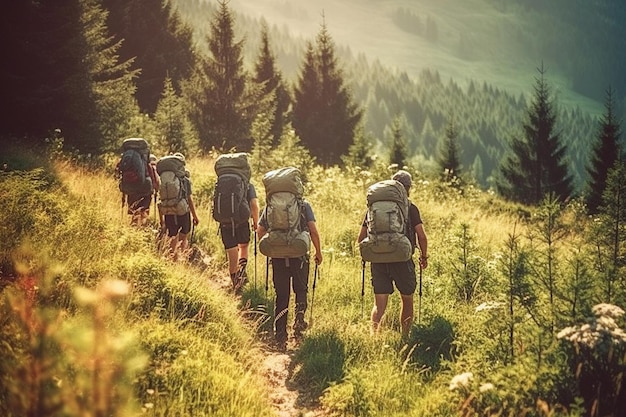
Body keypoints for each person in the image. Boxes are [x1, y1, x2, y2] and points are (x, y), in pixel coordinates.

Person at [357, 170, 428, 338]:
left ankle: (373, 337)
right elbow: (422, 236)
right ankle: (405, 337)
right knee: (407, 299)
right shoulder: (410, 207)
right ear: (408, 188)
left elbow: (360, 238)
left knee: (379, 304)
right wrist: (424, 256)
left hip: (378, 259)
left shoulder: (373, 208)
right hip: (402, 259)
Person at [257, 190, 323, 351]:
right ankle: (299, 323)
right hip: (299, 255)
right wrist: (318, 251)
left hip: (278, 257)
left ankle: (280, 336)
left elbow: (260, 230)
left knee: (282, 295)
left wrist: (272, 247)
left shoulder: (270, 206)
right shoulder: (303, 205)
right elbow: (313, 230)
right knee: (301, 290)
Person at [219, 182, 259, 291]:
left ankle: (235, 282)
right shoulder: (248, 185)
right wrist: (256, 222)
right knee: (244, 246)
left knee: (232, 251)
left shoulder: (221, 183)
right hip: (242, 222)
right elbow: (254, 204)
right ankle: (241, 273)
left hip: (225, 223)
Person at [160, 153, 199, 261]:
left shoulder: (164, 179)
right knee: (183, 235)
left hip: (168, 210)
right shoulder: (185, 180)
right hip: (183, 211)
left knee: (172, 235)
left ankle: (173, 259)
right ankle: (183, 258)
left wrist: (161, 219)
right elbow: (189, 199)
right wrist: (195, 216)